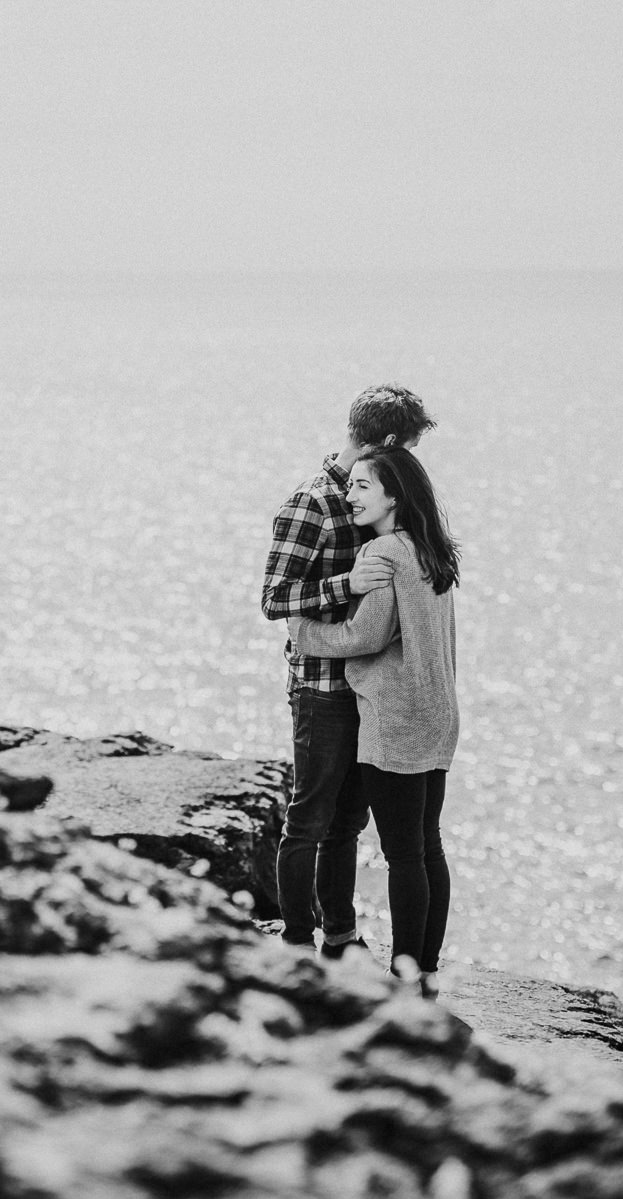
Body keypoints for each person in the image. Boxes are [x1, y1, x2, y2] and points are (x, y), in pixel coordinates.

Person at [260, 384, 436, 959]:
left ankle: (340, 934)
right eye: (408, 448)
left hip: (370, 692)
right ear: (386, 443)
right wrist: (345, 585)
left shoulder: (381, 497)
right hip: (320, 689)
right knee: (309, 818)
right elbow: (273, 597)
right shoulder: (311, 503)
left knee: (348, 825)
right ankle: (294, 943)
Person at [287, 443, 460, 996]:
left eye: (363, 485)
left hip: (393, 719)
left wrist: (304, 632)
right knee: (427, 845)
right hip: (437, 714)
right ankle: (425, 970)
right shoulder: (431, 548)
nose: (349, 493)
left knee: (403, 854)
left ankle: (405, 976)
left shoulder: (382, 553)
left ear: (394, 495)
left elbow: (365, 636)